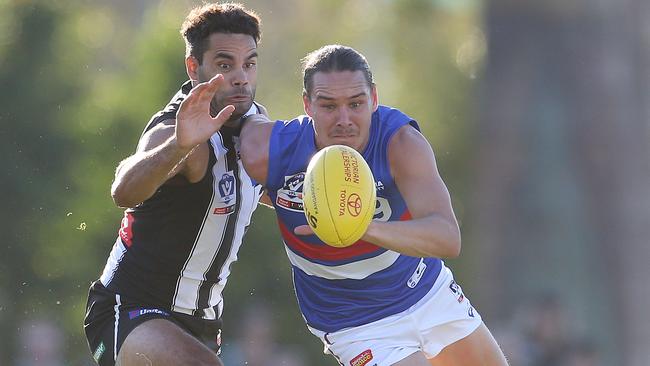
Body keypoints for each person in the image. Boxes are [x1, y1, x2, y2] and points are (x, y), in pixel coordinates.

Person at [239, 45, 509, 365]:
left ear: (374, 99)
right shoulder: (269, 152)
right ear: (307, 105)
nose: (344, 119)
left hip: (427, 292)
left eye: (356, 104)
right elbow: (238, 147)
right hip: (354, 322)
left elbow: (447, 237)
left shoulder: (400, 142)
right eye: (328, 106)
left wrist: (362, 226)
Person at [83, 3, 265, 366]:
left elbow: (265, 189)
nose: (241, 77)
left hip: (202, 323)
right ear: (194, 67)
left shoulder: (255, 125)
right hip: (132, 310)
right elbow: (124, 189)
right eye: (225, 65)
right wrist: (179, 146)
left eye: (249, 63)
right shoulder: (179, 132)